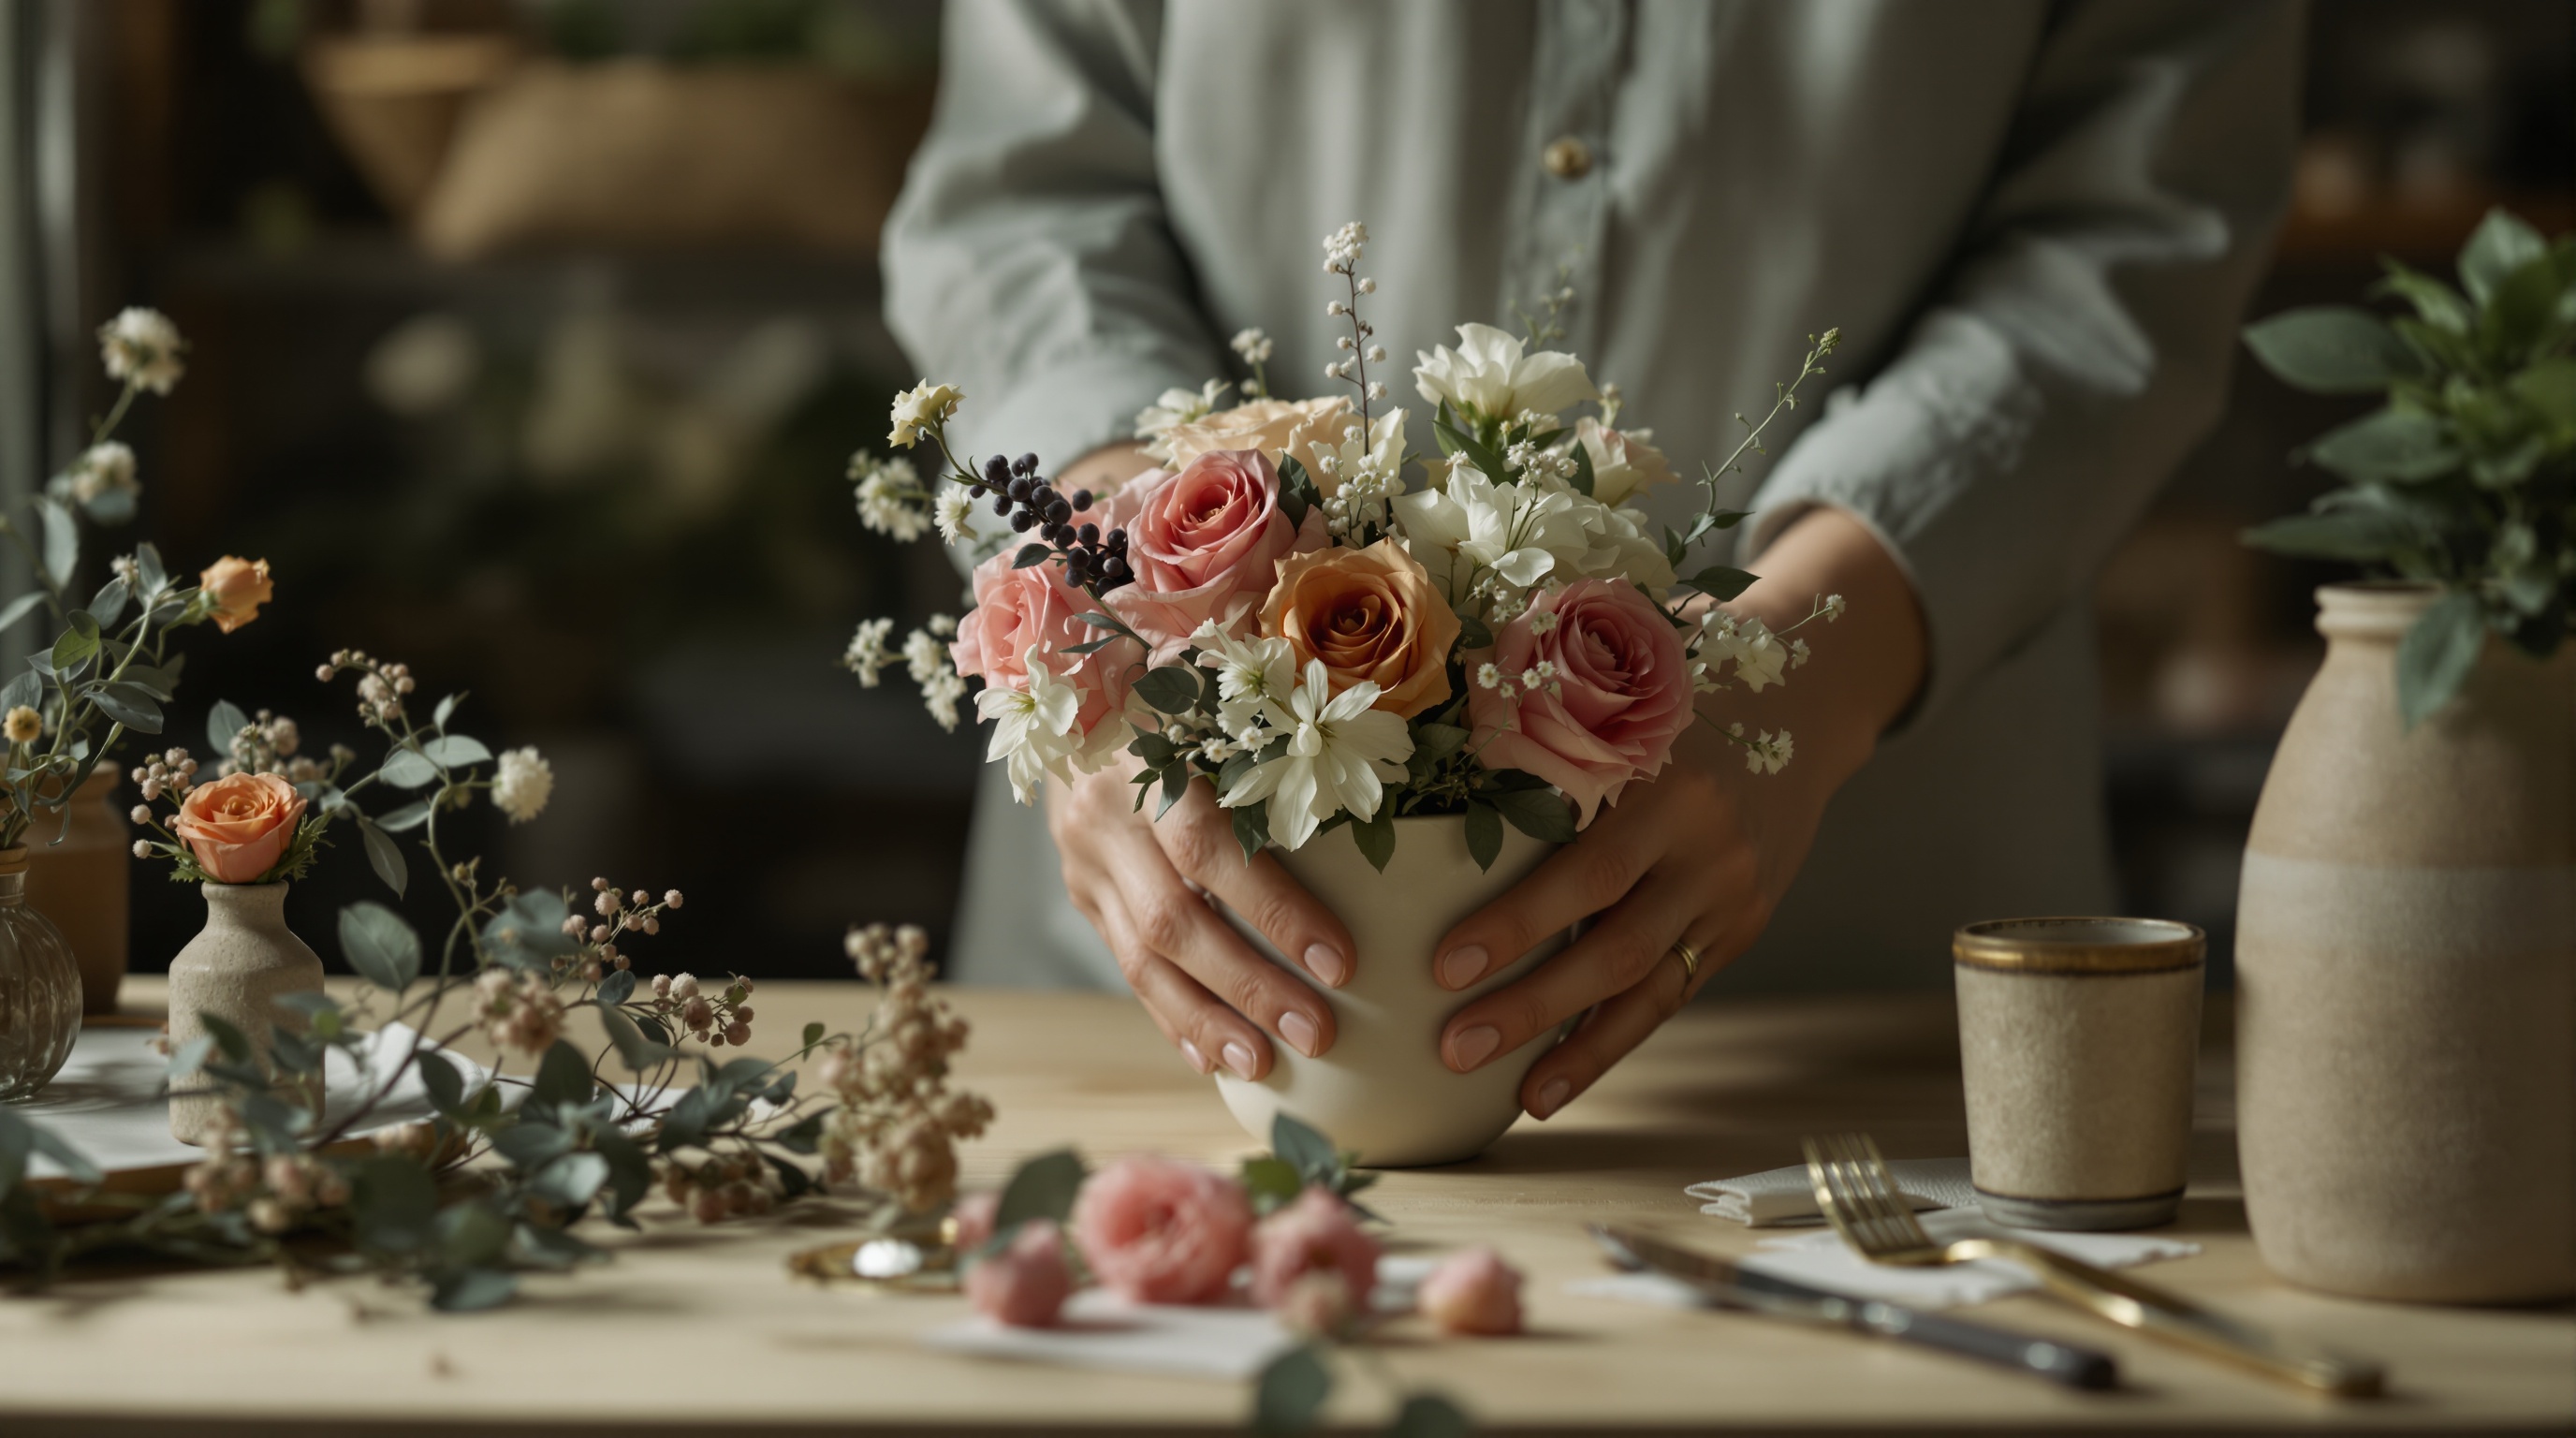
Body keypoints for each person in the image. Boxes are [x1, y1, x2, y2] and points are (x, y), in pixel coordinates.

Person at [883, 0, 2299, 1121]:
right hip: (1156, 996)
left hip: (1846, 1002)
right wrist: (1125, 568)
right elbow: (1028, 196)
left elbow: (2138, 230)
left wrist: (1813, 663)